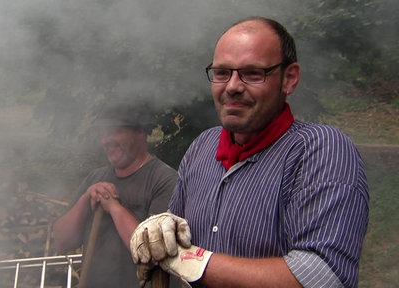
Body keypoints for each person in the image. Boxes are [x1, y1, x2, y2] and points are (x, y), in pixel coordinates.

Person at [130, 16, 369, 288]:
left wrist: (194, 262)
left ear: (289, 79)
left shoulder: (321, 150)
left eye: (253, 73)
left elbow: (322, 275)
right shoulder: (202, 147)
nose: (232, 86)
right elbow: (177, 231)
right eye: (222, 73)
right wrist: (163, 225)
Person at [53, 100, 178, 288]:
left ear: (140, 132)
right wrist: (86, 199)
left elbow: (151, 252)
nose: (105, 140)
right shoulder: (95, 178)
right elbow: (62, 242)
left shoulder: (165, 181)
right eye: (103, 133)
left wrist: (114, 207)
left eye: (115, 131)